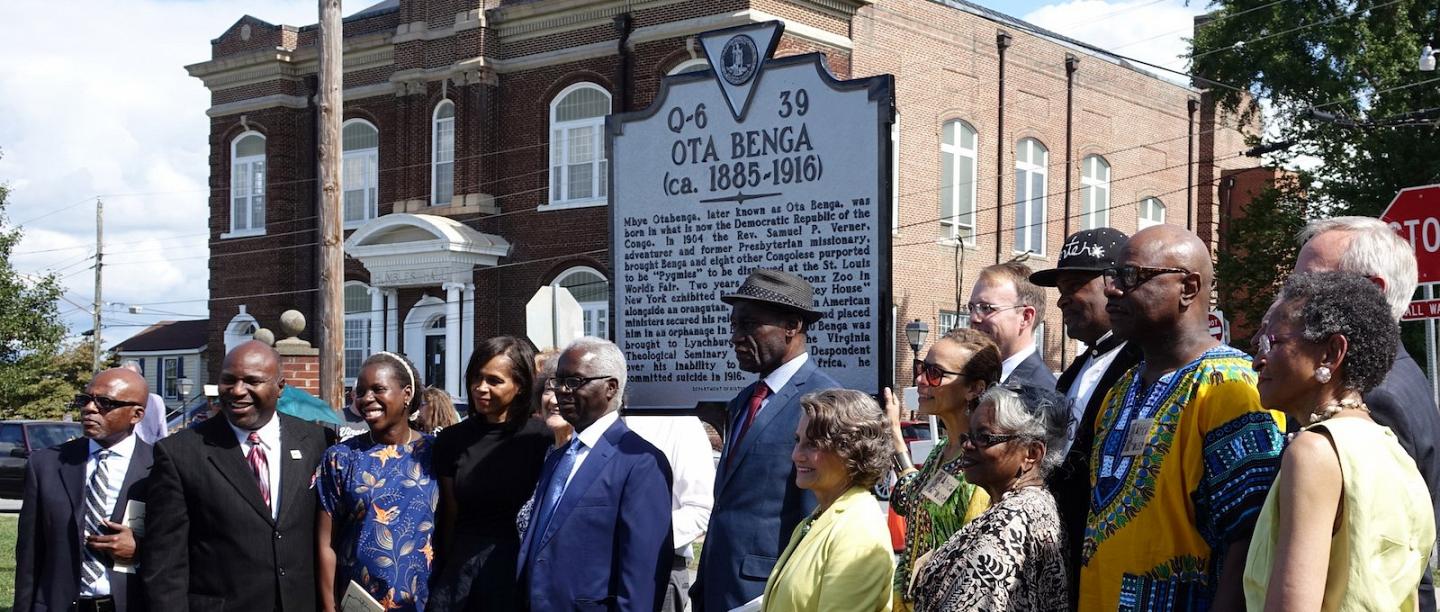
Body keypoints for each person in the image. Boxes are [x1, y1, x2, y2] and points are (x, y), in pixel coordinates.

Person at [1078, 225, 1285, 610]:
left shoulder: (1231, 387)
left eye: (1131, 276)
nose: (1112, 289)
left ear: (1188, 288)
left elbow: (1250, 538)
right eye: (1113, 276)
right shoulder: (1121, 389)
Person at [1242, 272, 1435, 609]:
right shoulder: (1389, 447)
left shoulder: (1314, 452)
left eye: (1272, 342)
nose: (1258, 358)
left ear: (1331, 353)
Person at [1294, 215, 1440, 611]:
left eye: (1311, 284)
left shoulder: (1373, 397)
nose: (1295, 299)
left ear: (1373, 293)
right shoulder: (1392, 375)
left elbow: (1377, 559)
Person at [141, 340, 330, 612]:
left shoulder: (316, 442)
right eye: (228, 380)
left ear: (280, 387)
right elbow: (165, 562)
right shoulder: (180, 452)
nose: (238, 391)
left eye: (252, 381)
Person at [694, 268, 842, 612]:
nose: (735, 338)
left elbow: (818, 515)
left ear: (792, 326)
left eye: (749, 325)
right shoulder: (744, 400)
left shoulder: (825, 401)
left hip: (769, 594)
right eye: (734, 326)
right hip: (717, 589)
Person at [1028, 227, 1142, 607]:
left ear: (1116, 284)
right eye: (1060, 292)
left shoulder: (1145, 365)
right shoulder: (1076, 370)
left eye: (1075, 285)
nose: (1064, 301)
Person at [516, 337, 673, 611]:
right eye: (557, 381)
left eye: (574, 382)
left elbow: (641, 576)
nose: (561, 391)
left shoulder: (639, 462)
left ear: (610, 388)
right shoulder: (558, 458)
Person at [912, 385, 1070, 611]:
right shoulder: (1032, 503)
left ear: (1032, 454)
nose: (967, 445)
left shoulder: (1010, 521)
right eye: (969, 435)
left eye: (984, 437)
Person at [429, 336, 552, 611]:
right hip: (460, 568)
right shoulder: (451, 440)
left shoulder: (542, 439)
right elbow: (450, 514)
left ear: (519, 386)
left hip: (515, 566)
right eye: (476, 378)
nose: (480, 388)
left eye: (494, 381)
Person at [882, 328, 1001, 611]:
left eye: (935, 373)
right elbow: (907, 499)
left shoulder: (982, 463)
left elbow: (974, 570)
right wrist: (895, 435)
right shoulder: (943, 451)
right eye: (922, 368)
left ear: (975, 388)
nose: (921, 380)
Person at [16, 368, 152, 612]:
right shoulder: (46, 464)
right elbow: (29, 554)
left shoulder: (160, 467)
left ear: (136, 414)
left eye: (105, 403)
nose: (89, 408)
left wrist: (142, 549)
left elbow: (189, 547)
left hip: (129, 603)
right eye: (85, 399)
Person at [317, 352, 436, 611]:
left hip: (423, 602)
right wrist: (329, 606)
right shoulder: (341, 458)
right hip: (356, 603)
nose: (366, 398)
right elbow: (326, 543)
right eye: (360, 392)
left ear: (406, 394)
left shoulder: (436, 454)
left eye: (378, 389)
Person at [762, 389, 895, 612]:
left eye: (813, 444)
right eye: (798, 440)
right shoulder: (820, 517)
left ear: (852, 450)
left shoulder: (857, 530)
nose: (796, 454)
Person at [624, 413, 716, 612]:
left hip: (658, 572)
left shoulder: (679, 422)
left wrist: (629, 539)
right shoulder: (590, 421)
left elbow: (699, 509)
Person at [967, 261, 1057, 389]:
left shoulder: (1040, 393)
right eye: (971, 308)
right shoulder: (970, 378)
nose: (973, 318)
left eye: (986, 308)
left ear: (1026, 317)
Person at [120, 360, 168, 443]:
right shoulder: (118, 402)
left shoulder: (155, 401)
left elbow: (162, 430)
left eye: (133, 375)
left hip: (151, 448)